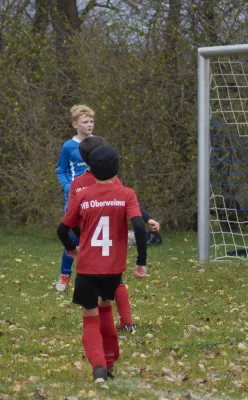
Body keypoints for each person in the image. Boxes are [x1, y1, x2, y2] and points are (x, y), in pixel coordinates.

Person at [57, 145, 148, 382]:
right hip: (112, 269)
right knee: (106, 308)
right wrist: (141, 261)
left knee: (90, 316)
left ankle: (98, 367)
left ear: (91, 170)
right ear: (116, 168)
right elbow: (139, 226)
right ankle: (109, 362)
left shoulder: (84, 195)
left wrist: (70, 247)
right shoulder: (126, 193)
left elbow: (63, 229)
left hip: (87, 268)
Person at [68, 136, 160, 331]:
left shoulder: (78, 183)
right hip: (109, 240)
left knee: (101, 284)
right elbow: (129, 200)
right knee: (114, 279)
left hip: (90, 241)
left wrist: (79, 240)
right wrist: (146, 218)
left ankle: (110, 326)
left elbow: (71, 218)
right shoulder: (110, 178)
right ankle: (125, 322)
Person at [55, 105, 95, 291]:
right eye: (85, 121)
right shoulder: (69, 146)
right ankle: (65, 276)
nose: (89, 125)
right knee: (72, 239)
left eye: (91, 121)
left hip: (94, 198)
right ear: (75, 124)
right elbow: (60, 170)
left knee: (91, 238)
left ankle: (92, 276)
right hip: (74, 199)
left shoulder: (98, 143)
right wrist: (67, 187)